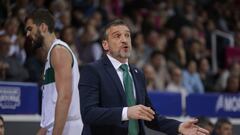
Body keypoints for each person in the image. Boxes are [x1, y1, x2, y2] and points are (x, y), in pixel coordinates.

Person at [79, 19, 209, 135]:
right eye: (117, 36)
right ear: (105, 45)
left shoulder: (138, 73)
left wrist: (178, 127)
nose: (124, 40)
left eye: (127, 35)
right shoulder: (92, 70)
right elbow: (88, 113)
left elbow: (150, 116)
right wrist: (126, 113)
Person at [25, 9, 83, 135]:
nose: (27, 34)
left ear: (43, 27)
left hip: (67, 128)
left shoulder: (59, 51)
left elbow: (64, 98)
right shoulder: (51, 55)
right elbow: (50, 111)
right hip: (58, 126)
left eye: (30, 29)